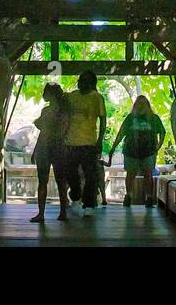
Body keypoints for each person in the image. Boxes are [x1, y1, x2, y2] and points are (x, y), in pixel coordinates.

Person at [109, 95, 167, 206]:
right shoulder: (130, 118)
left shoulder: (154, 118)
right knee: (130, 174)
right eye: (138, 103)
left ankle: (149, 198)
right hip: (131, 151)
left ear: (147, 106)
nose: (140, 106)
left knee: (148, 175)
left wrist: (158, 146)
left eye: (143, 103)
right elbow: (121, 133)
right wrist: (113, 147)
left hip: (148, 151)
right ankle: (128, 196)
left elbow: (163, 132)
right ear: (135, 105)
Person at [63, 71, 106, 216]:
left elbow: (103, 120)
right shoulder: (72, 96)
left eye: (86, 80)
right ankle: (75, 197)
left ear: (92, 83)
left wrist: (100, 140)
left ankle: (89, 205)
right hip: (71, 142)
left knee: (90, 175)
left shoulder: (97, 98)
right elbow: (65, 117)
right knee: (70, 173)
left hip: (89, 142)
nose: (83, 82)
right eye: (81, 79)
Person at [31, 83, 71, 223]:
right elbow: (59, 131)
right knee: (60, 181)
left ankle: (43, 214)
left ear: (51, 94)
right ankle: (62, 212)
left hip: (48, 147)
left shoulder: (49, 111)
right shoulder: (62, 111)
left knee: (45, 181)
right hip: (56, 147)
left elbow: (48, 131)